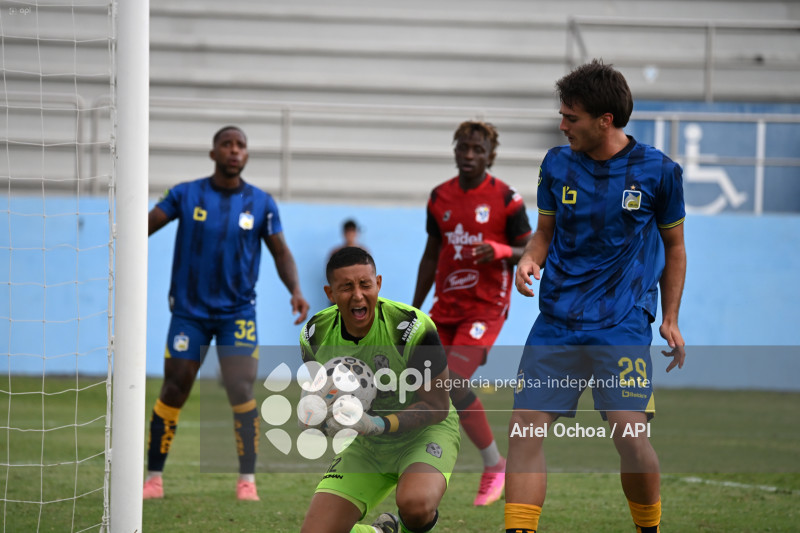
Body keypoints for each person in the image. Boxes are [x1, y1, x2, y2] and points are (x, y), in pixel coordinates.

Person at [505, 60, 686, 533]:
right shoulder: (556, 164)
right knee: (524, 427)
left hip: (622, 322)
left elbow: (675, 247)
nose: (562, 126)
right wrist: (529, 259)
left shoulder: (659, 172)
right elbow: (544, 233)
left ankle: (649, 528)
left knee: (629, 436)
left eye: (572, 118)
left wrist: (670, 317)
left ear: (605, 120)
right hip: (556, 320)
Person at [142, 125, 310, 501]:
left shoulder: (261, 203)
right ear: (213, 153)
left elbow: (280, 251)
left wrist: (296, 290)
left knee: (240, 387)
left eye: (240, 145)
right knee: (175, 386)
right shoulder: (186, 194)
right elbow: (145, 227)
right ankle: (153, 479)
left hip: (238, 314)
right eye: (227, 144)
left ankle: (247, 480)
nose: (234, 150)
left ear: (246, 154)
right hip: (189, 313)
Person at [412, 120, 532, 506]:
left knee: (451, 381)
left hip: (486, 307)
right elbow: (431, 255)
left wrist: (500, 250)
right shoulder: (439, 197)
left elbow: (531, 250)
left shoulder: (507, 199)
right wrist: (415, 308)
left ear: (490, 156)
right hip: (445, 307)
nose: (468, 155)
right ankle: (420, 465)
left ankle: (494, 465)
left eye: (477, 149)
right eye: (462, 147)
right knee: (421, 383)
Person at [300, 247, 461, 533]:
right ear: (330, 293)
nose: (358, 295)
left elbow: (438, 406)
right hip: (369, 444)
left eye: (365, 284)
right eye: (346, 287)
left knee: (416, 504)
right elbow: (323, 395)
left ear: (378, 284)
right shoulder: (314, 335)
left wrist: (379, 424)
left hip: (424, 433)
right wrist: (316, 416)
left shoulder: (411, 328)